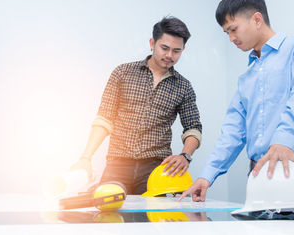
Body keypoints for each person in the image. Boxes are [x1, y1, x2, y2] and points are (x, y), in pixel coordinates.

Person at [179, 0, 294, 202]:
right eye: (226, 33)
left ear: (257, 19)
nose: (231, 38)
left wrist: (283, 140)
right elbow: (232, 133)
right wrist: (206, 176)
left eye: (233, 29)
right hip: (258, 178)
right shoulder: (246, 80)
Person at [71, 16, 202, 195]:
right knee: (108, 211)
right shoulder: (122, 73)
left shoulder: (184, 86)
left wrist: (185, 155)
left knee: (152, 220)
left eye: (176, 51)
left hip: (157, 168)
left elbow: (193, 128)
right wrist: (86, 157)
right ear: (152, 43)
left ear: (183, 49)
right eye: (164, 48)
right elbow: (104, 119)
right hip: (118, 163)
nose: (169, 55)